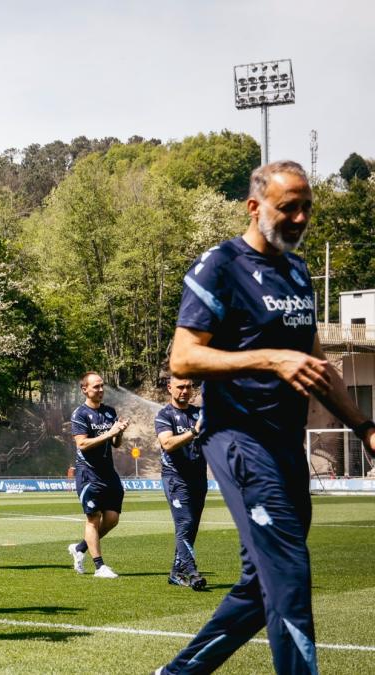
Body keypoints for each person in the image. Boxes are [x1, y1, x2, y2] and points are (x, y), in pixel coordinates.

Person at [159, 161, 375, 674]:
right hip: (238, 442)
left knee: (264, 587)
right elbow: (183, 358)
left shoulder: (298, 272)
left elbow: (320, 368)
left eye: (307, 208)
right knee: (291, 577)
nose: (300, 217)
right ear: (255, 207)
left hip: (285, 448)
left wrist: (364, 427)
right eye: (288, 207)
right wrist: (270, 357)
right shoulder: (218, 267)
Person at [67, 371, 128, 579]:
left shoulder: (110, 412)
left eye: (102, 386)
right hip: (88, 474)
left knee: (112, 519)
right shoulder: (80, 414)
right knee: (93, 518)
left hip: (108, 473)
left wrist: (118, 433)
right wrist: (109, 433)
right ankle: (99, 566)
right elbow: (82, 444)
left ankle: (79, 548)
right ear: (85, 389)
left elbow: (115, 444)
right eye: (96, 387)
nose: (101, 390)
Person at [154, 376, 207, 591]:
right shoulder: (164, 415)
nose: (185, 391)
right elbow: (167, 443)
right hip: (175, 478)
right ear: (169, 388)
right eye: (180, 387)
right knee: (184, 523)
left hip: (199, 478)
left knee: (191, 526)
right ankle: (191, 572)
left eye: (189, 387)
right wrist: (194, 431)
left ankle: (176, 573)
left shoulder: (199, 413)